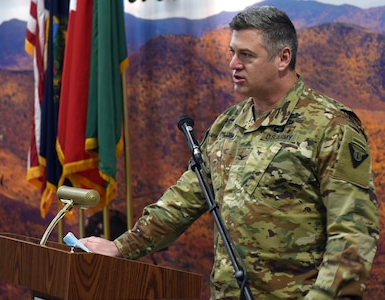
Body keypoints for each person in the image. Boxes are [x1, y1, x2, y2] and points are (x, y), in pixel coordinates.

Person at [80, 6, 379, 299]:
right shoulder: (227, 125)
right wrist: (121, 247)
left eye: (246, 55)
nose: (233, 64)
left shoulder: (331, 127)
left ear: (283, 58)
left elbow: (352, 236)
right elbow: (182, 202)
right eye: (232, 52)